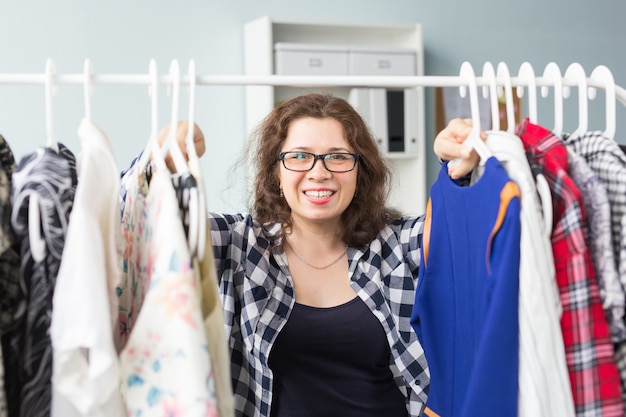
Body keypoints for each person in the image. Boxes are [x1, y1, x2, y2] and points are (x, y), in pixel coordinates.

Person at [154, 93, 482, 417]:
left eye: (338, 157)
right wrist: (163, 167)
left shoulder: (396, 244)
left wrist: (457, 167)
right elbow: (150, 228)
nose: (319, 172)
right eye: (299, 156)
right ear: (275, 172)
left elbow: (463, 228)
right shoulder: (236, 244)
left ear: (359, 171)